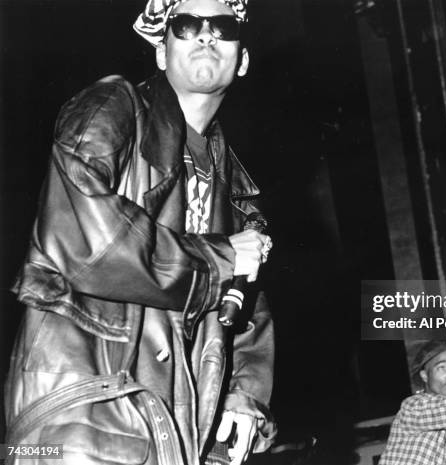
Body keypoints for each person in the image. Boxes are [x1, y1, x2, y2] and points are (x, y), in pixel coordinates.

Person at [4, 0, 276, 464]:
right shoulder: (115, 106)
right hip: (85, 415)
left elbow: (247, 311)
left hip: (180, 432)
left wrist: (243, 393)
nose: (206, 35)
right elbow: (85, 240)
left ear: (243, 58)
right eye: (187, 24)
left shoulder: (235, 190)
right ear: (161, 51)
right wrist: (219, 258)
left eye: (223, 26)